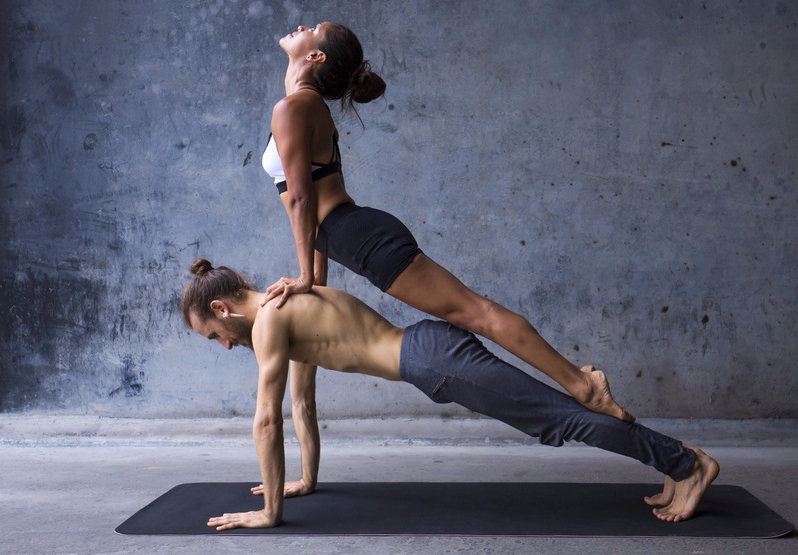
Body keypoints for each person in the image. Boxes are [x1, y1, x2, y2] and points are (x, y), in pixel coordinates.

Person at [260, 21, 633, 425]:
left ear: (316, 57)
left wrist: (304, 277)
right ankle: (580, 383)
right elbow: (314, 195)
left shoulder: (294, 108)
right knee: (474, 311)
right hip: (355, 233)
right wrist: (313, 276)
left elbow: (301, 200)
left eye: (313, 28)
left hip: (364, 239)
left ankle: (582, 384)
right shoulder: (301, 106)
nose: (302, 26)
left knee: (474, 312)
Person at [180, 259, 719, 530]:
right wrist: (304, 481)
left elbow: (267, 421)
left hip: (435, 362)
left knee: (559, 419)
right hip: (430, 351)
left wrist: (269, 513)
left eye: (213, 337)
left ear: (222, 310)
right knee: (555, 418)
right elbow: (301, 406)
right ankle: (675, 463)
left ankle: (687, 463)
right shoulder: (285, 306)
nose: (225, 347)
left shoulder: (270, 318)